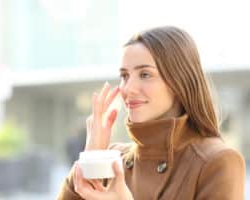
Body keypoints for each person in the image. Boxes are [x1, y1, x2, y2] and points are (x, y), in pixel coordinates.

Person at [57, 26, 245, 200]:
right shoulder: (113, 159)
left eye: (145, 74)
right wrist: (92, 158)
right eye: (124, 76)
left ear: (179, 82)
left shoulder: (217, 162)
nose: (128, 88)